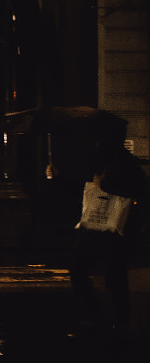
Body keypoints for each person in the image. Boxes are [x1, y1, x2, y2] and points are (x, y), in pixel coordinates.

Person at [70, 129, 147, 333]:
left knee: (111, 275)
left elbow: (138, 191)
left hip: (118, 229)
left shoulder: (123, 162)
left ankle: (114, 320)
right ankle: (110, 317)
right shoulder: (103, 159)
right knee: (105, 273)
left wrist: (105, 183)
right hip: (102, 227)